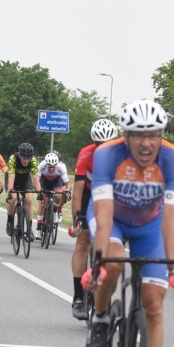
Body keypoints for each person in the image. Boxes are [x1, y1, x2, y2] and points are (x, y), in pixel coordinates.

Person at [82, 100, 174, 347]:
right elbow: (104, 215)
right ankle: (101, 317)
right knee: (115, 262)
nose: (147, 143)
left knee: (154, 304)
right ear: (126, 136)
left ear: (162, 135)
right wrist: (99, 264)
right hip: (113, 220)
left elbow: (171, 220)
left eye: (154, 135)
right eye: (139, 135)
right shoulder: (107, 155)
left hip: (150, 225)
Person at [70, 118, 120, 319]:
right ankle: (78, 297)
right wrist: (77, 218)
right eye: (99, 144)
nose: (103, 148)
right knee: (83, 241)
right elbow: (77, 191)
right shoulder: (86, 154)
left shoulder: (122, 155)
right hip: (88, 194)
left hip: (111, 195)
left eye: (107, 144)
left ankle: (103, 294)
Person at [4, 143, 38, 238]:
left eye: (28, 158)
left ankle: (29, 229)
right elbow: (11, 176)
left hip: (25, 179)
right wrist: (10, 192)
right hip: (13, 179)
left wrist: (40, 193)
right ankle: (10, 220)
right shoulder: (13, 158)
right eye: (24, 158)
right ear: (20, 155)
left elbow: (35, 177)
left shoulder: (33, 160)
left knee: (29, 199)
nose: (26, 160)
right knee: (13, 198)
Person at [36, 151, 69, 233]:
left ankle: (55, 211)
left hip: (56, 182)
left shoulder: (61, 167)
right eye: (49, 167)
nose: (51, 169)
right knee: (42, 202)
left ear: (57, 164)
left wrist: (67, 190)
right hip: (44, 182)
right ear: (46, 164)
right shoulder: (41, 166)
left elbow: (67, 183)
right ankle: (38, 228)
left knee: (58, 195)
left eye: (53, 167)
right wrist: (38, 191)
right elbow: (36, 180)